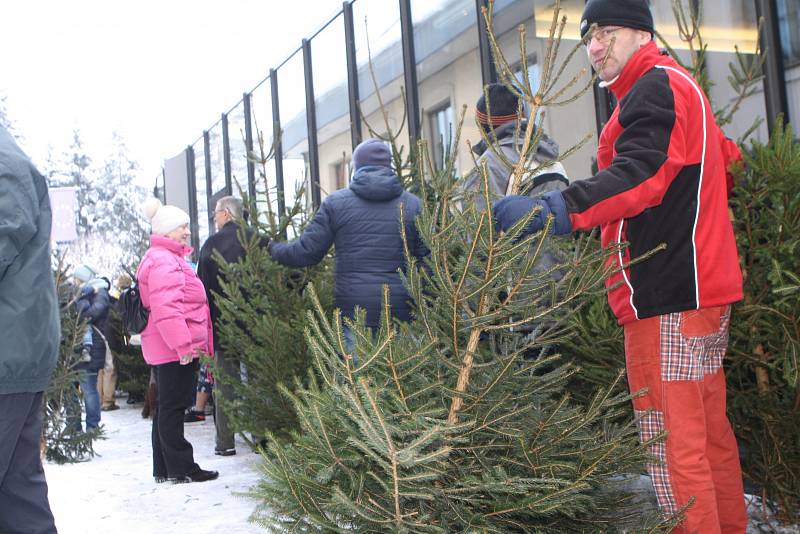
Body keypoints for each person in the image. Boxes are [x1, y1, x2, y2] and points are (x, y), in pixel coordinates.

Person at [492, 1, 747, 531]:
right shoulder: (678, 86)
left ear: (639, 33)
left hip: (667, 294)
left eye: (607, 32)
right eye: (589, 38)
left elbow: (640, 174)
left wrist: (558, 208)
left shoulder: (653, 86)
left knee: (673, 450)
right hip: (700, 293)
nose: (595, 47)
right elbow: (724, 155)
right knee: (709, 438)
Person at [269, 138, 427, 351]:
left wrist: (272, 248)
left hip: (355, 312)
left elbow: (306, 252)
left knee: (358, 381)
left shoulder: (336, 204)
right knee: (403, 381)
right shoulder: (413, 205)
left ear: (357, 167)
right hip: (401, 311)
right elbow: (427, 265)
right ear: (388, 166)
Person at [0, 124, 60, 533]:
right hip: (15, 351)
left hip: (9, 353)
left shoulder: (5, 164)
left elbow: (7, 232)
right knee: (19, 494)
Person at [137, 197, 218, 484]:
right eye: (182, 227)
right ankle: (181, 468)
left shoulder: (167, 259)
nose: (187, 231)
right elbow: (167, 309)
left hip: (169, 347)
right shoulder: (163, 261)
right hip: (173, 348)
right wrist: (183, 346)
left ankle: (164, 468)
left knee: (166, 407)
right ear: (167, 231)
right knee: (172, 408)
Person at [196, 195, 267, 455]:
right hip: (257, 324)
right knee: (259, 382)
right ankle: (263, 439)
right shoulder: (259, 240)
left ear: (226, 213)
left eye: (216, 213)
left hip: (223, 324)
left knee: (225, 385)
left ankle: (225, 443)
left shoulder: (212, 244)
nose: (215, 218)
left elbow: (200, 286)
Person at [73, 265, 111, 430]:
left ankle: (92, 428)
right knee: (71, 391)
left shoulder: (100, 293)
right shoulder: (83, 293)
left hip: (92, 349)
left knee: (89, 389)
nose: (75, 283)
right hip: (74, 349)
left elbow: (91, 313)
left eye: (77, 280)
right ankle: (73, 428)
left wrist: (80, 301)